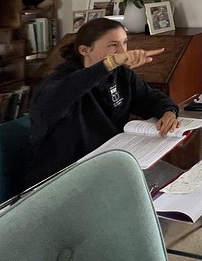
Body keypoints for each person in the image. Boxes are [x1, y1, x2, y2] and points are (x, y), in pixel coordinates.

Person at [26, 17, 180, 187]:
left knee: (176, 181)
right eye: (113, 45)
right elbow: (64, 94)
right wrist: (110, 63)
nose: (123, 51)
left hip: (109, 164)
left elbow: (151, 99)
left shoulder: (121, 74)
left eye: (124, 43)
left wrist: (168, 112)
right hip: (65, 177)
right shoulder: (59, 82)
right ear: (85, 50)